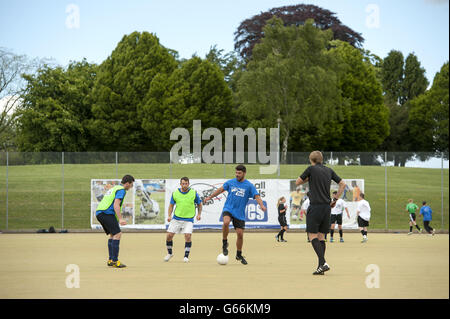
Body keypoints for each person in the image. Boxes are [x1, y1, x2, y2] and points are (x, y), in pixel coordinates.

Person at [204, 164, 266, 265]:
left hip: (239, 213)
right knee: (226, 222)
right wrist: (210, 197)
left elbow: (257, 196)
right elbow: (220, 190)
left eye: (239, 173)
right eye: (236, 172)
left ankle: (239, 254)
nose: (237, 174)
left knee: (240, 235)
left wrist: (262, 205)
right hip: (228, 208)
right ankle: (224, 243)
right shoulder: (230, 182)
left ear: (244, 173)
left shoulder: (249, 185)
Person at [296, 151, 346, 275]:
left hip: (315, 206)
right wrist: (335, 199)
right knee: (321, 237)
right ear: (321, 159)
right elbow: (343, 184)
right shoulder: (329, 170)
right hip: (327, 207)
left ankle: (323, 262)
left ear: (311, 160)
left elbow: (298, 182)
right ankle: (320, 267)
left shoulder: (311, 169)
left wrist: (309, 178)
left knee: (312, 236)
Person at [95, 175, 135, 268]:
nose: (132, 186)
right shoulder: (121, 190)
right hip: (106, 213)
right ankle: (115, 261)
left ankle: (110, 260)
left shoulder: (115, 188)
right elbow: (116, 204)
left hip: (100, 212)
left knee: (113, 235)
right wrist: (120, 218)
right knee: (118, 234)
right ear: (127, 183)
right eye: (131, 184)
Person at [165, 177, 202, 263]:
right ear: (180, 184)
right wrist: (169, 215)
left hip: (188, 219)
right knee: (169, 236)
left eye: (186, 183)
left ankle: (186, 256)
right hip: (176, 218)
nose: (184, 185)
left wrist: (199, 214)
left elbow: (199, 204)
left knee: (188, 236)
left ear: (188, 184)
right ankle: (170, 253)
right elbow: (171, 205)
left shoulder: (193, 193)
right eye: (183, 184)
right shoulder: (175, 193)